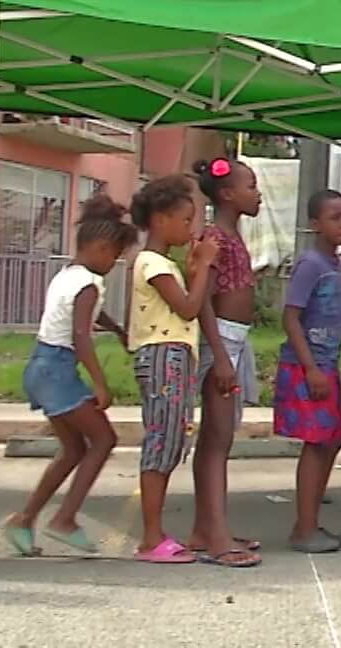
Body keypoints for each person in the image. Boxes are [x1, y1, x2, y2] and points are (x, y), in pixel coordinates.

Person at [4, 193, 136, 558]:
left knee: (75, 448)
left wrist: (118, 329)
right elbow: (81, 335)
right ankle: (64, 518)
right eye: (115, 255)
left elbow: (89, 317)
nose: (115, 263)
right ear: (100, 247)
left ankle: (24, 519)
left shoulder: (69, 275)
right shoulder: (89, 284)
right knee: (104, 438)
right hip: (58, 369)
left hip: (41, 365)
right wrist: (100, 384)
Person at [127, 174, 218, 564]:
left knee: (172, 440)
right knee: (161, 443)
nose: (190, 229)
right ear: (161, 219)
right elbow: (187, 307)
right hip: (163, 355)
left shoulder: (164, 263)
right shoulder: (152, 263)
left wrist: (196, 267)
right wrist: (204, 266)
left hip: (175, 355)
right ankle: (150, 537)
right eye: (184, 221)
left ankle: (155, 533)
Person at [187, 156, 263, 566]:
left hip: (235, 342)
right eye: (251, 186)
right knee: (216, 442)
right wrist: (220, 357)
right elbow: (204, 305)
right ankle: (216, 539)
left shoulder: (231, 235)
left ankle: (206, 527)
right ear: (228, 194)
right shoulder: (215, 238)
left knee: (218, 440)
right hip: (222, 343)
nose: (259, 193)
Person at [274, 190, 341, 553]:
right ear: (315, 224)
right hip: (309, 367)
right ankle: (304, 528)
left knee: (332, 440)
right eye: (335, 217)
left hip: (326, 366)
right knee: (316, 443)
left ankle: (309, 523)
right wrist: (310, 368)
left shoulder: (334, 265)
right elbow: (291, 316)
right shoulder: (310, 264)